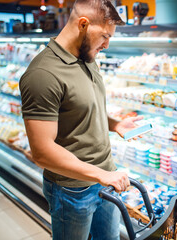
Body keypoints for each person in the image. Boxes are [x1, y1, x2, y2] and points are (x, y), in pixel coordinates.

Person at [19, 0, 142, 239]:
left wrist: (115, 124)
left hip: (106, 180)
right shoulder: (43, 74)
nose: (107, 44)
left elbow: (83, 107)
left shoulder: (87, 57)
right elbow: (42, 151)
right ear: (83, 24)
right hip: (72, 191)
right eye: (105, 36)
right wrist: (99, 175)